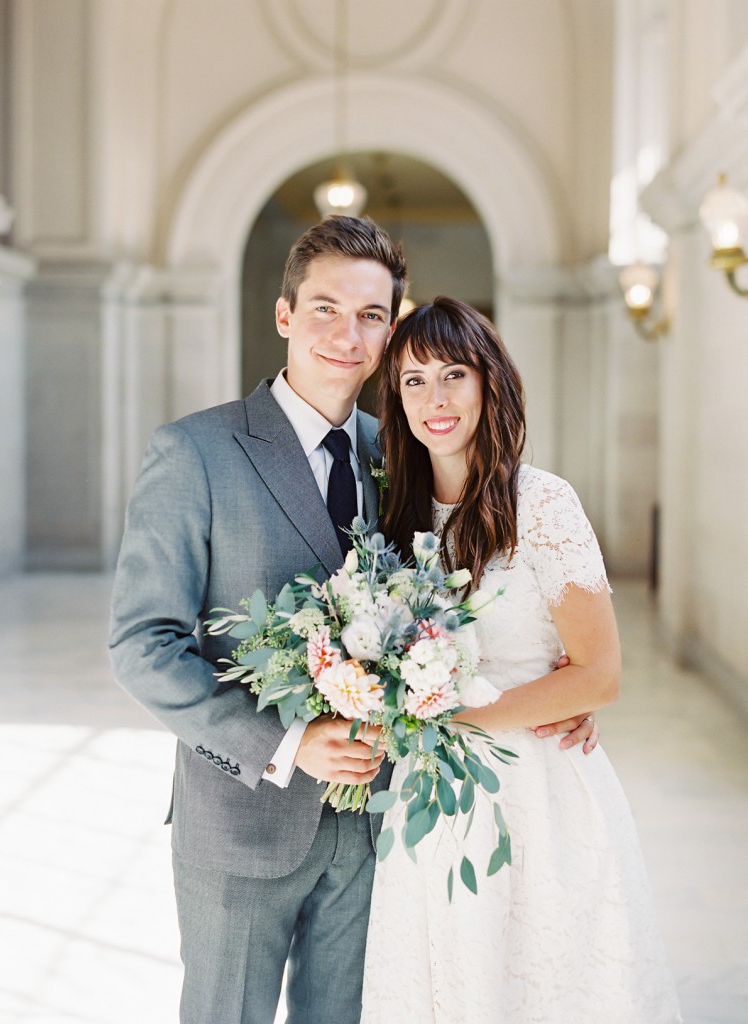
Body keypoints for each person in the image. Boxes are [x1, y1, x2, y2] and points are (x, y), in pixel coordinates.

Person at [109, 219, 598, 1024]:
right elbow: (141, 645)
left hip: (379, 826)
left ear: (390, 330)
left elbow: (462, 600)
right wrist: (289, 742)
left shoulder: (404, 454)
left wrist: (552, 684)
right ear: (284, 316)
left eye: (372, 315)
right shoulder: (194, 452)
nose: (348, 334)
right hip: (244, 824)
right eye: (327, 308)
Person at [361, 296, 681, 1024]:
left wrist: (458, 711)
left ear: (488, 383)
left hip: (535, 791)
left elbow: (601, 673)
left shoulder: (540, 504)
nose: (434, 399)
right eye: (413, 381)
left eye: (453, 376)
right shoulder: (393, 512)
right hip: (426, 796)